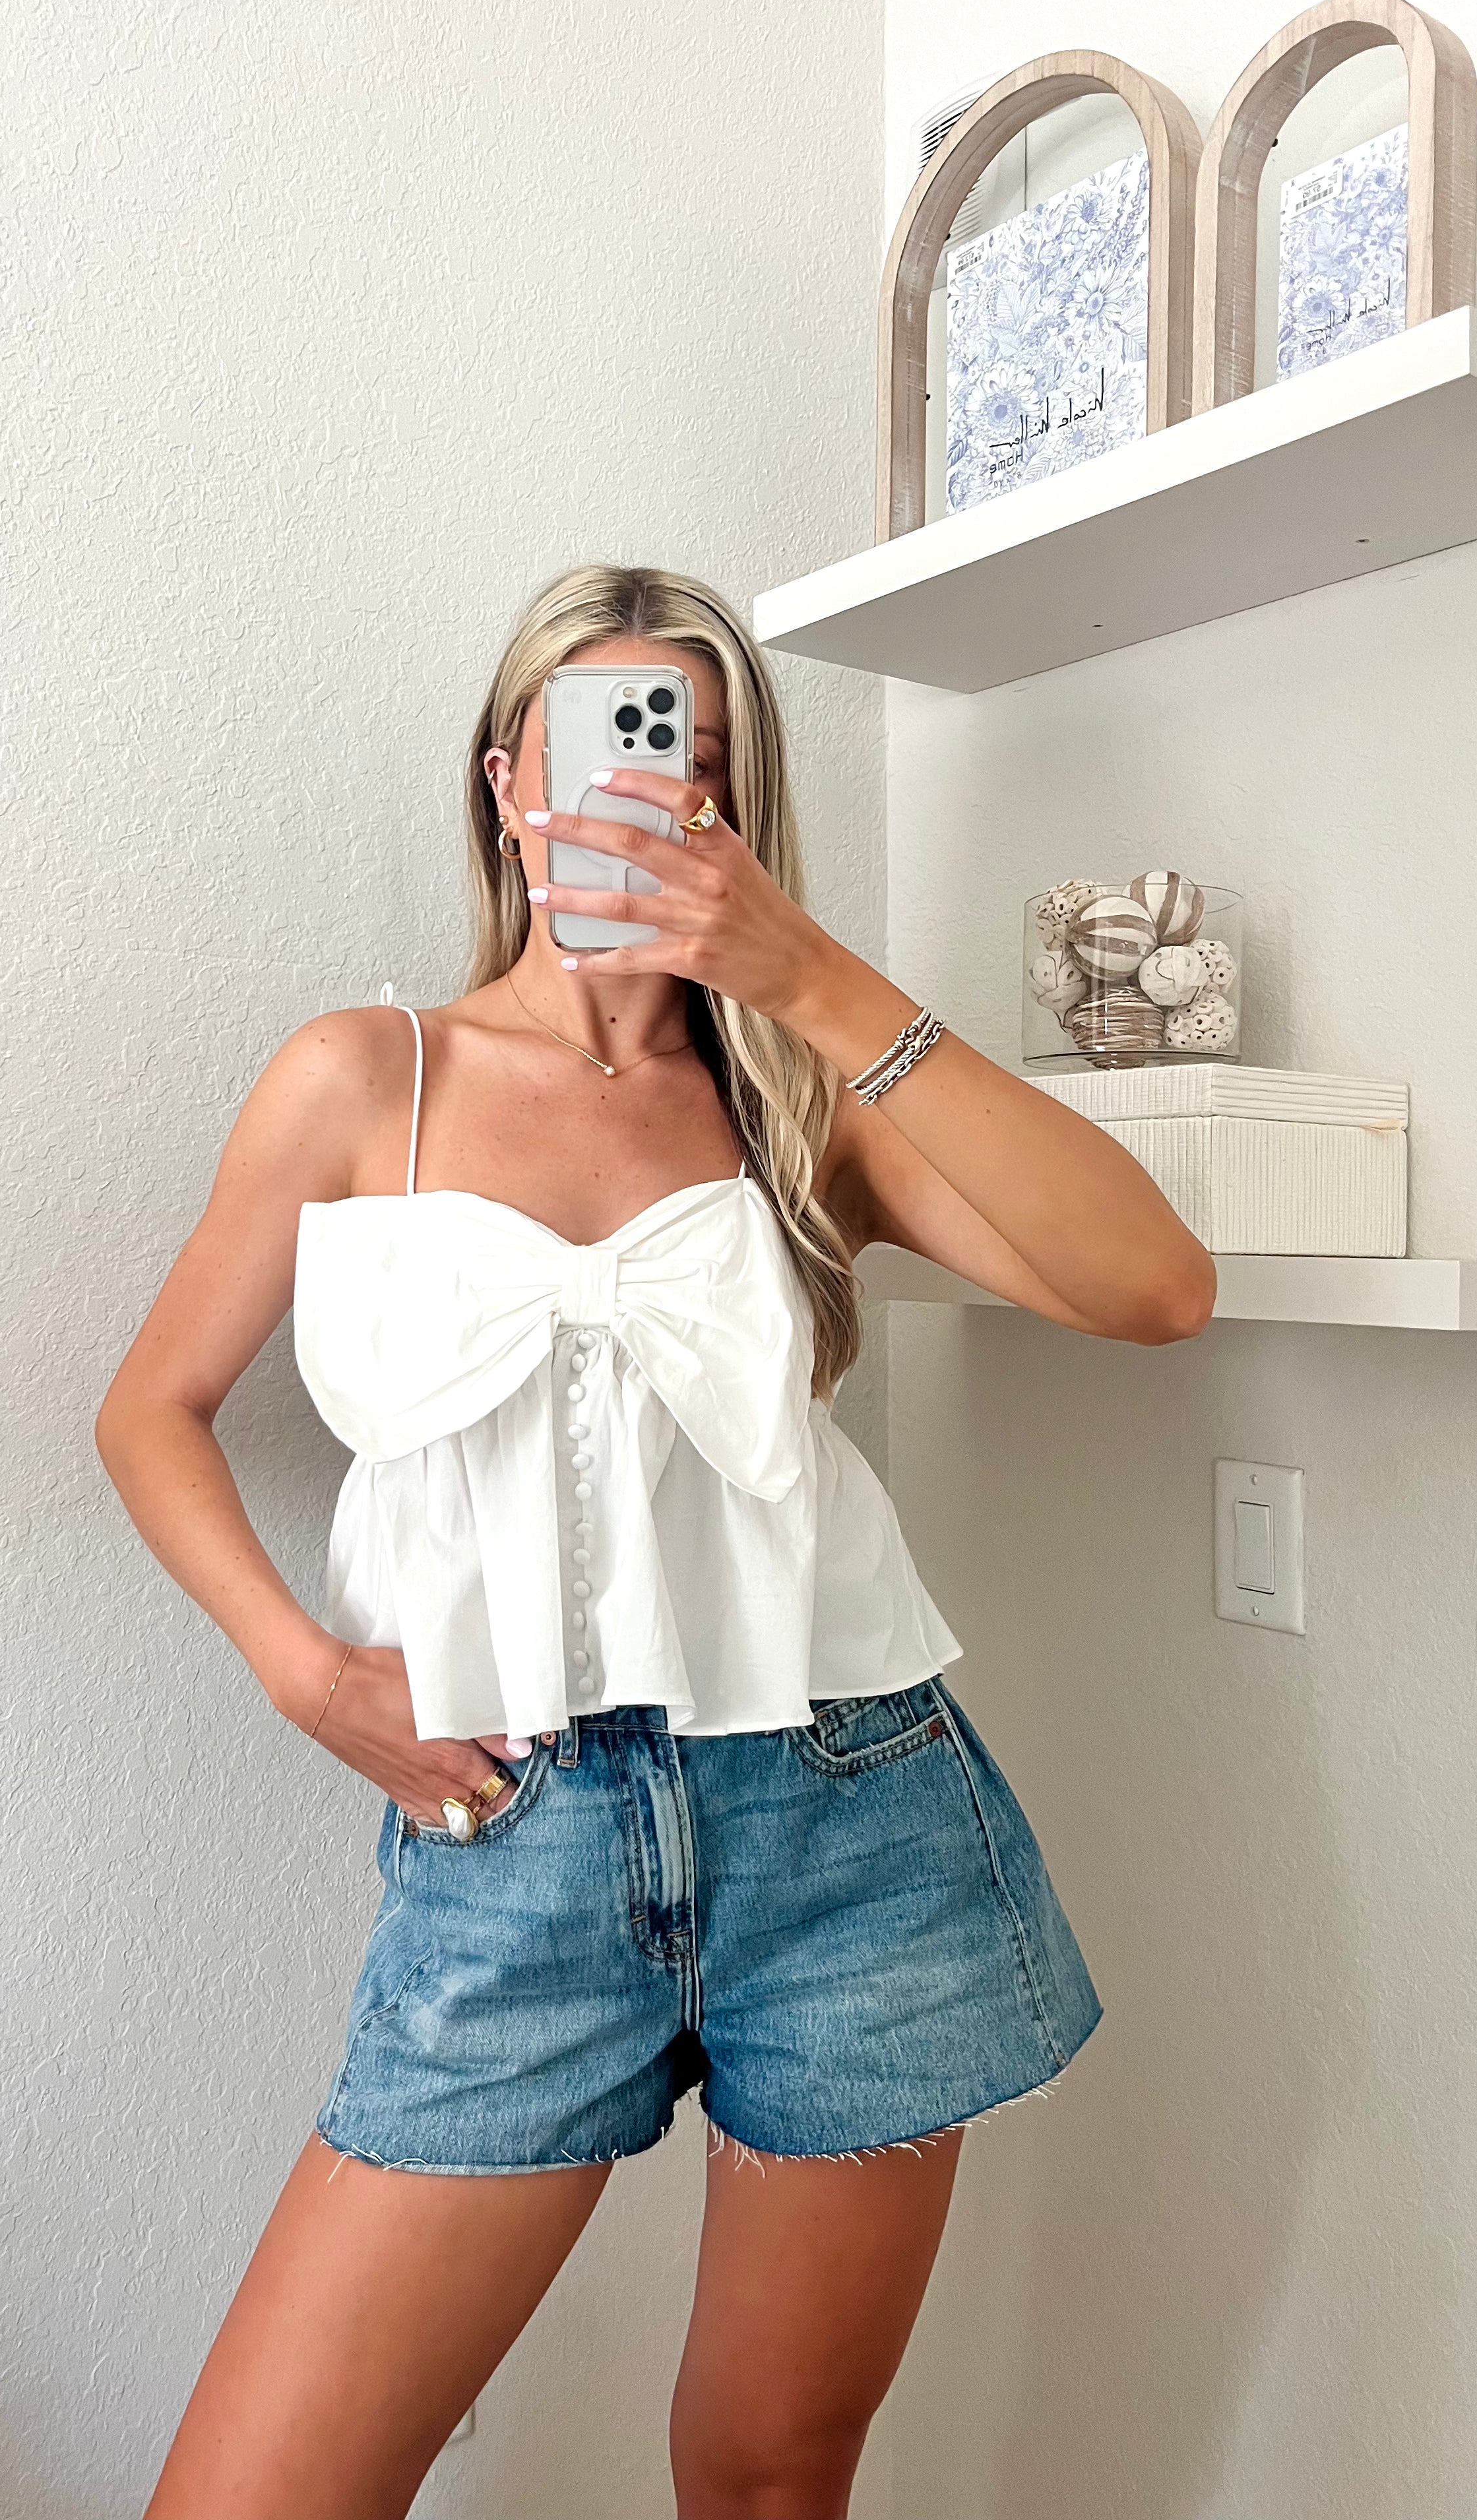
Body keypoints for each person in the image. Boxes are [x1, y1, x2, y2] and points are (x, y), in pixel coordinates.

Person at [95, 563, 1214, 2520]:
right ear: (508, 780)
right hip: (507, 1845)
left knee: (772, 2474)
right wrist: (304, 1671)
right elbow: (148, 1409)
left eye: (688, 757)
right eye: (603, 742)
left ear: (735, 808)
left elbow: (1156, 1288)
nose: (641, 791)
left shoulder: (801, 1106)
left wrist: (811, 977)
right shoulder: (363, 1079)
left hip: (855, 1827)